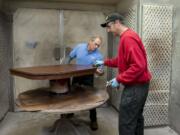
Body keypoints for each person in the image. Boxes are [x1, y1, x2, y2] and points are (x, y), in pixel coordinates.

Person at [95, 13, 152, 135]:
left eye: (109, 27)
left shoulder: (128, 38)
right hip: (140, 86)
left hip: (135, 88)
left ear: (117, 23)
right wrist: (104, 62)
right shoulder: (126, 37)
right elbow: (121, 60)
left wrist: (119, 79)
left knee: (126, 122)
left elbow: (139, 66)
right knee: (136, 119)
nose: (108, 30)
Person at [65, 36, 104, 131]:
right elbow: (70, 57)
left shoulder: (99, 56)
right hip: (77, 75)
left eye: (98, 45)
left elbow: (100, 71)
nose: (96, 47)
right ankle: (70, 112)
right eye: (95, 44)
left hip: (88, 77)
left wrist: (99, 72)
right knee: (72, 94)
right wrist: (65, 67)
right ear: (90, 41)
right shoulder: (79, 47)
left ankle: (93, 120)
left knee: (91, 98)